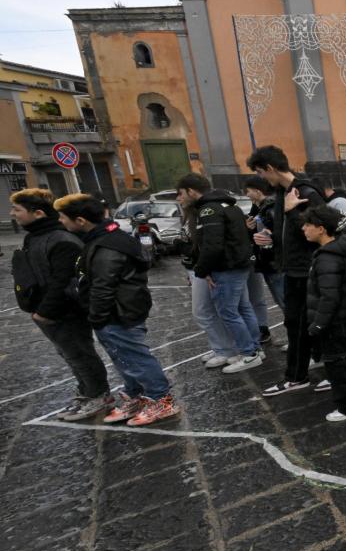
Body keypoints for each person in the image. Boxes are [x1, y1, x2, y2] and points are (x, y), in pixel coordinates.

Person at [54, 193, 179, 426]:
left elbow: (103, 285)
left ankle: (161, 399)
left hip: (119, 312)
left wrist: (97, 317)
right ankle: (138, 397)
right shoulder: (103, 238)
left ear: (80, 220)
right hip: (116, 311)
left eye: (62, 217)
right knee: (123, 359)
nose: (60, 222)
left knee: (135, 358)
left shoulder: (108, 245)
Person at [10, 188, 112, 420]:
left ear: (37, 213)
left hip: (64, 312)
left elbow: (64, 280)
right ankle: (86, 392)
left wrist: (45, 311)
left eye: (17, 209)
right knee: (69, 354)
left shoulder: (62, 240)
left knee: (80, 353)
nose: (13, 214)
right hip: (45, 312)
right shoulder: (34, 237)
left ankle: (98, 395)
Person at [249, 145, 327, 396]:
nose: (261, 178)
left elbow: (319, 232)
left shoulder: (305, 192)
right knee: (297, 323)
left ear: (270, 169)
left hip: (307, 270)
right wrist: (270, 237)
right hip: (290, 268)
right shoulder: (281, 193)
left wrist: (292, 211)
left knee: (303, 323)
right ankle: (305, 369)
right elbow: (288, 231)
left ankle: (298, 375)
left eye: (261, 172)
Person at [177, 173, 263, 375]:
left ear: (191, 191)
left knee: (228, 312)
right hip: (239, 265)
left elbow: (212, 245)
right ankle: (255, 349)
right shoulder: (229, 206)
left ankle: (249, 353)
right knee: (243, 308)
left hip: (226, 268)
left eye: (180, 193)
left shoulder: (208, 210)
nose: (178, 198)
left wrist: (202, 269)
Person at [302, 206, 346, 421]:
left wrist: (317, 325)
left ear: (322, 229)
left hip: (336, 323)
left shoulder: (327, 258)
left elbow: (329, 297)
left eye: (308, 225)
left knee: (339, 363)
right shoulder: (343, 247)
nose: (303, 228)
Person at [244, 175, 284, 344]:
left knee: (285, 302)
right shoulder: (260, 208)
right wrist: (250, 229)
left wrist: (270, 236)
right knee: (282, 301)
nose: (246, 195)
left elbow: (279, 234)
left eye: (248, 191)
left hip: (275, 264)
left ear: (258, 191)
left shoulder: (271, 208)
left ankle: (303, 343)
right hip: (269, 263)